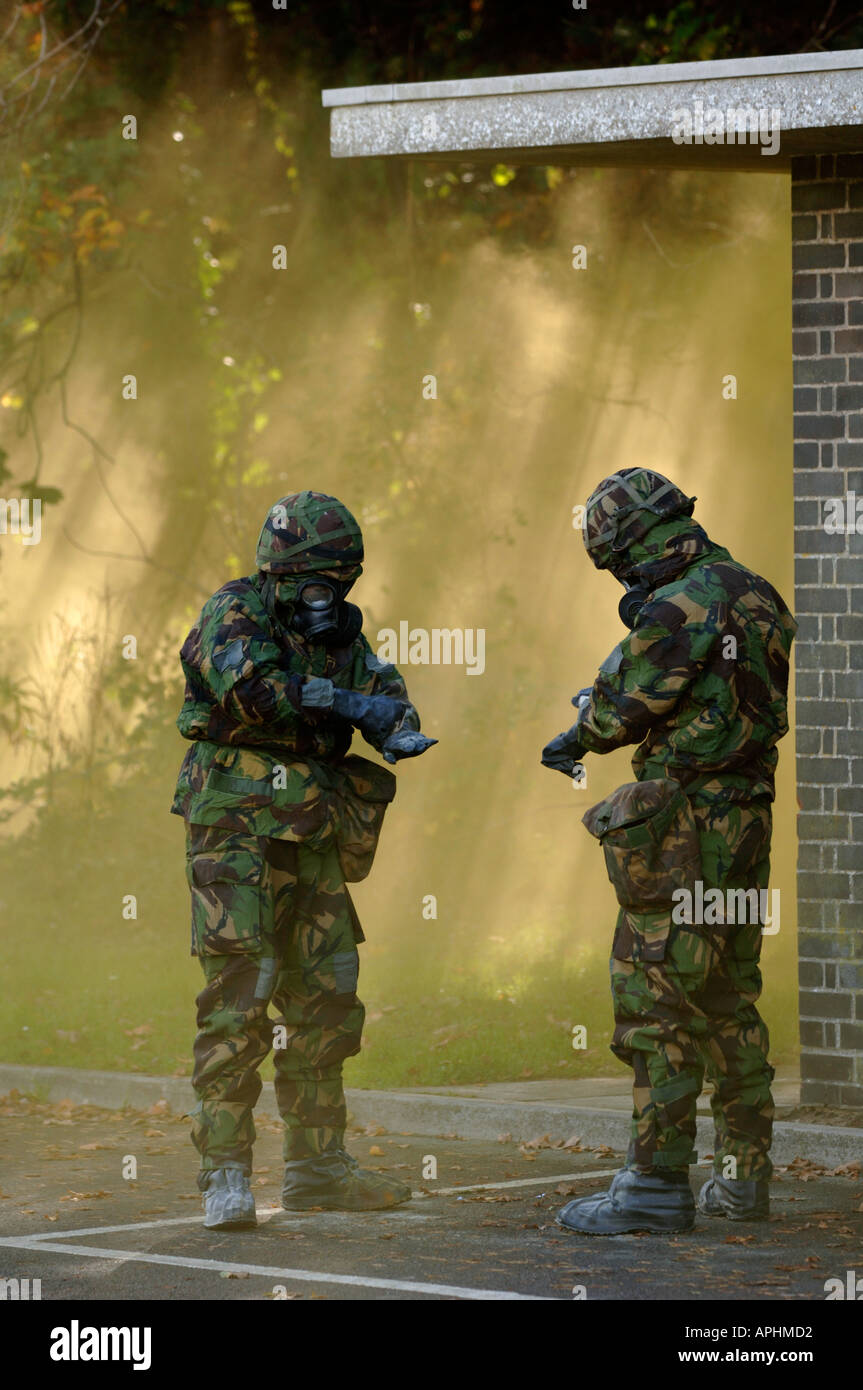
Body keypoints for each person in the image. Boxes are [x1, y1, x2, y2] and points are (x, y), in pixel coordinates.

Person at [541, 467, 796, 1235]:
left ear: (636, 542)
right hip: (747, 815)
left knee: (658, 1000)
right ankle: (742, 1179)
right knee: (729, 996)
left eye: (617, 558)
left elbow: (622, 709)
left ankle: (652, 1187)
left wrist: (579, 726)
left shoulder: (677, 603)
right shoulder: (757, 592)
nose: (620, 574)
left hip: (681, 823)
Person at [172, 490, 436, 1229]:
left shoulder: (339, 637)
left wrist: (391, 719)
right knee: (239, 997)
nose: (331, 597)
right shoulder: (235, 611)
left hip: (312, 828)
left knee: (324, 999)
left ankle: (318, 1168)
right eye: (318, 580)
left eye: (342, 582)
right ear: (281, 572)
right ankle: (224, 1171)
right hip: (238, 830)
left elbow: (386, 692)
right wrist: (352, 707)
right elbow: (253, 690)